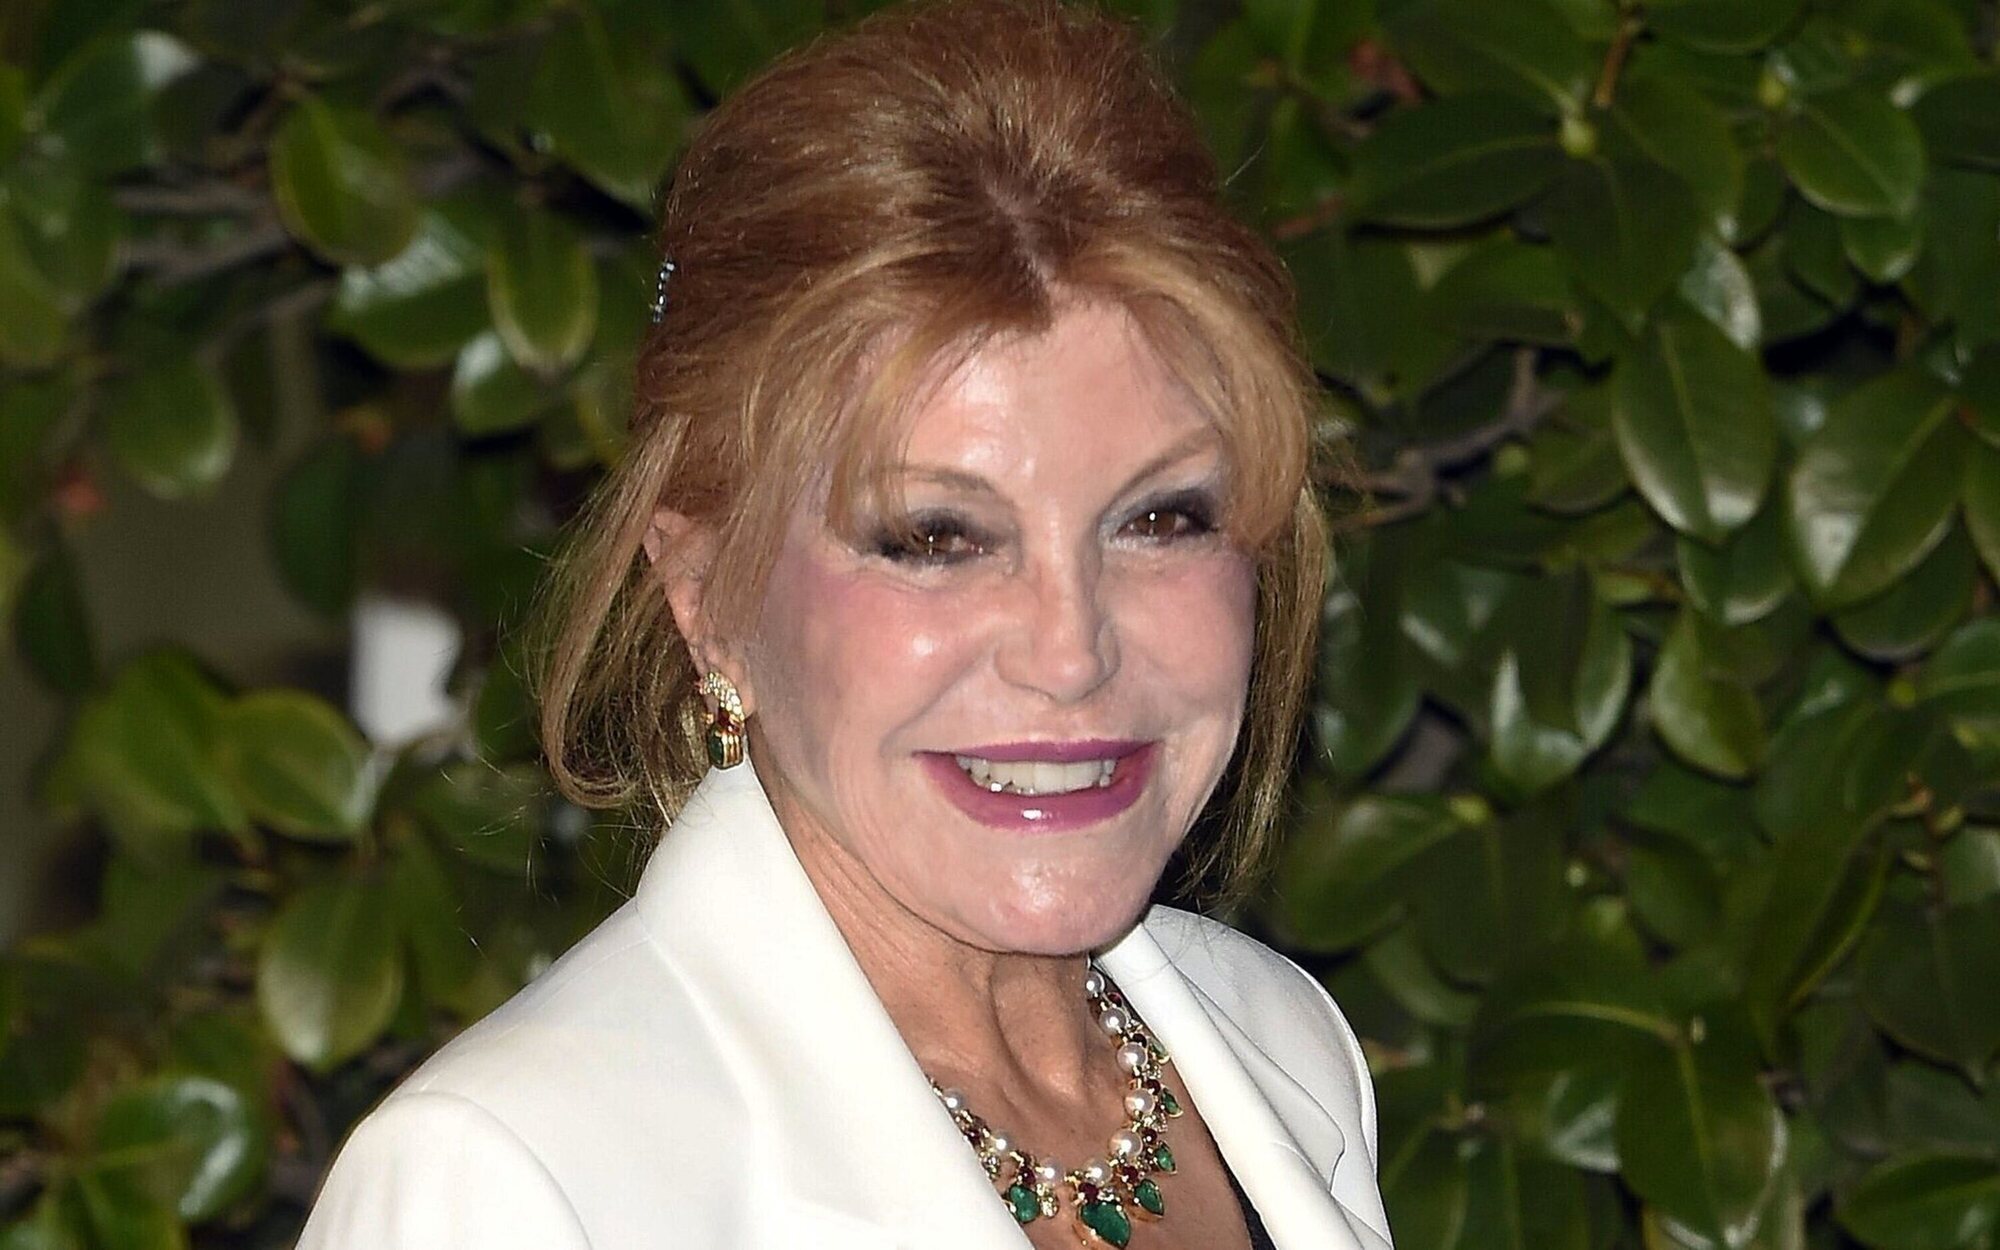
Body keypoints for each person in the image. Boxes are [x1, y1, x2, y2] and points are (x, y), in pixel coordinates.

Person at [296, 1, 1391, 1247]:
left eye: (1159, 520)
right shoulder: (511, 1178)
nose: (1070, 652)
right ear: (704, 594)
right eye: (935, 537)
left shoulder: (1283, 1045)